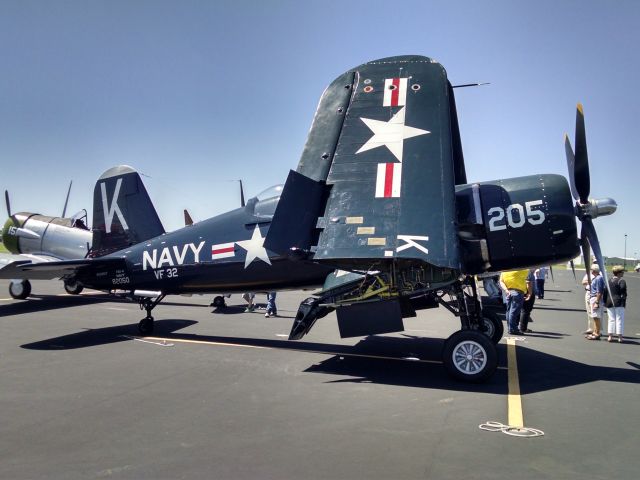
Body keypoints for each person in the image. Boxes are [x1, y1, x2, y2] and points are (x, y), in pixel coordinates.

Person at [500, 269, 531, 335]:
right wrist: (529, 293)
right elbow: (529, 279)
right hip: (518, 292)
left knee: (508, 311)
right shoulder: (523, 270)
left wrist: (506, 290)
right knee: (514, 312)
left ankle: (510, 328)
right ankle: (512, 329)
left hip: (508, 292)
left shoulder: (504, 271)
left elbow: (501, 281)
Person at [605, 265, 627, 343]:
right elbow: (623, 292)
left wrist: (605, 301)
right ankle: (620, 337)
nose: (623, 273)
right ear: (619, 273)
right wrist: (623, 303)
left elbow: (605, 292)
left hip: (609, 302)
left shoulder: (609, 280)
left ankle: (610, 336)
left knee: (611, 319)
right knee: (619, 319)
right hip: (618, 302)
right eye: (622, 272)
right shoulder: (621, 281)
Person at [586, 264, 605, 340]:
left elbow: (599, 291)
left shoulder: (598, 278)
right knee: (594, 317)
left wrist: (597, 302)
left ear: (594, 270)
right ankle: (595, 331)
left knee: (596, 317)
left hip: (595, 298)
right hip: (593, 298)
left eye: (591, 270)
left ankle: (597, 333)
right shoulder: (596, 278)